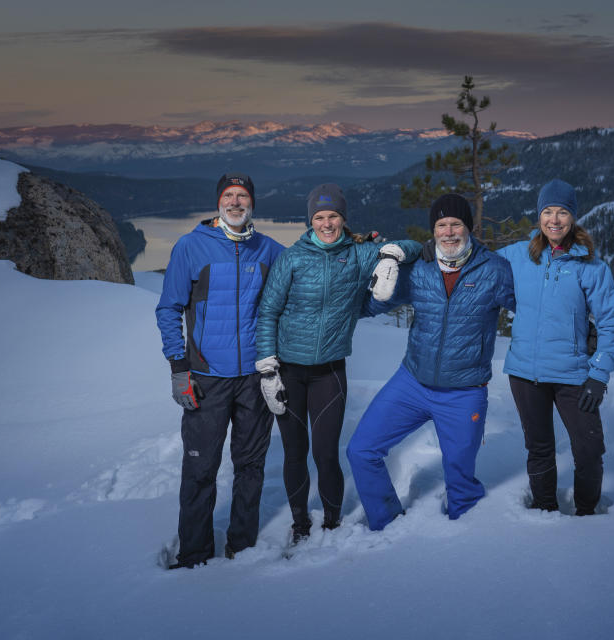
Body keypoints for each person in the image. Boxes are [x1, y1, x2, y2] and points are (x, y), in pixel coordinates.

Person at [255, 183, 421, 543]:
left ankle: (331, 522)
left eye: (332, 216)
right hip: (288, 370)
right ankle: (300, 524)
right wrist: (267, 369)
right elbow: (267, 311)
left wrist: (391, 254)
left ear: (343, 219)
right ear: (310, 220)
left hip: (329, 371)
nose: (326, 224)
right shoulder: (292, 258)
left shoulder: (359, 254)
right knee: (295, 452)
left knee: (326, 452)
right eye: (319, 217)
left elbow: (416, 247)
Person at [346, 193, 515, 531]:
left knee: (460, 480)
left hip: (464, 391)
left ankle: (462, 542)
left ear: (468, 227)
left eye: (456, 224)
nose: (449, 232)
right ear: (433, 230)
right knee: (361, 450)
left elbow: (532, 309)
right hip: (411, 383)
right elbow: (371, 304)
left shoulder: (494, 270)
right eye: (441, 225)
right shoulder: (419, 267)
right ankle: (386, 523)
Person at [156, 173, 285, 569]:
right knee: (200, 467)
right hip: (206, 377)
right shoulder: (191, 247)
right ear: (218, 203)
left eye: (242, 195)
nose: (235, 202)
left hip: (254, 380)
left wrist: (359, 247)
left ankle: (241, 546)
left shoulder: (269, 250)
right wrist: (180, 369)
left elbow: (311, 273)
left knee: (250, 466)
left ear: (252, 203)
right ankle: (193, 552)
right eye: (228, 196)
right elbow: (168, 309)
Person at [497, 179, 614, 516]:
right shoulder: (517, 256)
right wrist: (422, 252)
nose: (554, 219)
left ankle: (586, 511)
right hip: (525, 373)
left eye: (563, 212)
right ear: (539, 216)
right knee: (539, 449)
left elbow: (611, 325)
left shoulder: (592, 267)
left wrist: (599, 374)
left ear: (574, 217)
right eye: (548, 211)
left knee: (589, 450)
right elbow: (470, 260)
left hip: (574, 375)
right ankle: (544, 510)